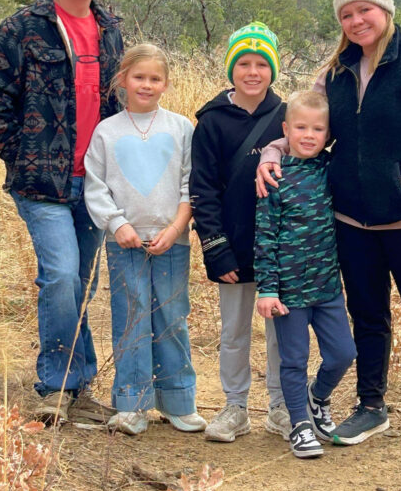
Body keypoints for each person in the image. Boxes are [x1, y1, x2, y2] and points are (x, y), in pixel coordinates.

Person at [258, 0, 401, 450]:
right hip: (352, 222)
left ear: (385, 10)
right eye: (346, 14)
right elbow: (305, 128)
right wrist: (271, 152)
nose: (356, 21)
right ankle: (371, 407)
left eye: (364, 10)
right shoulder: (334, 73)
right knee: (368, 317)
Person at [0, 0, 123, 426]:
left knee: (81, 282)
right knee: (59, 275)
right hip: (42, 183)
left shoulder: (110, 29)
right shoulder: (22, 28)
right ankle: (56, 385)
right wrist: (21, 154)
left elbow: (118, 104)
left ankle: (80, 379)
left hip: (95, 183)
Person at [83, 44, 205, 436]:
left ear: (166, 83)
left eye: (155, 79)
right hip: (126, 243)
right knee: (131, 317)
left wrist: (175, 228)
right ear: (123, 80)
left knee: (171, 316)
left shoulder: (181, 127)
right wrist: (117, 225)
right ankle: (131, 404)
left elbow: (191, 182)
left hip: (172, 241)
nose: (146, 85)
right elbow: (96, 186)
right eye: (139, 77)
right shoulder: (108, 131)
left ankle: (179, 401)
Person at [190, 22, 291, 443]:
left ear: (273, 70)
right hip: (231, 245)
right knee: (233, 332)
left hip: (280, 249)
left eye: (261, 64)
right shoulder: (211, 122)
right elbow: (202, 189)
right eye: (244, 63)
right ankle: (235, 407)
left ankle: (283, 407)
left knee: (282, 333)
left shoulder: (288, 117)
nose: (253, 72)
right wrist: (216, 249)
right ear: (231, 69)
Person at [254, 90, 356, 459]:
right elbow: (265, 237)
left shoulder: (330, 170)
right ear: (286, 130)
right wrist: (268, 290)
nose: (309, 135)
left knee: (344, 353)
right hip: (289, 291)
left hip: (327, 287)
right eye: (300, 128)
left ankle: (318, 398)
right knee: (293, 360)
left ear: (328, 134)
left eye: (317, 129)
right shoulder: (275, 176)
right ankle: (299, 424)